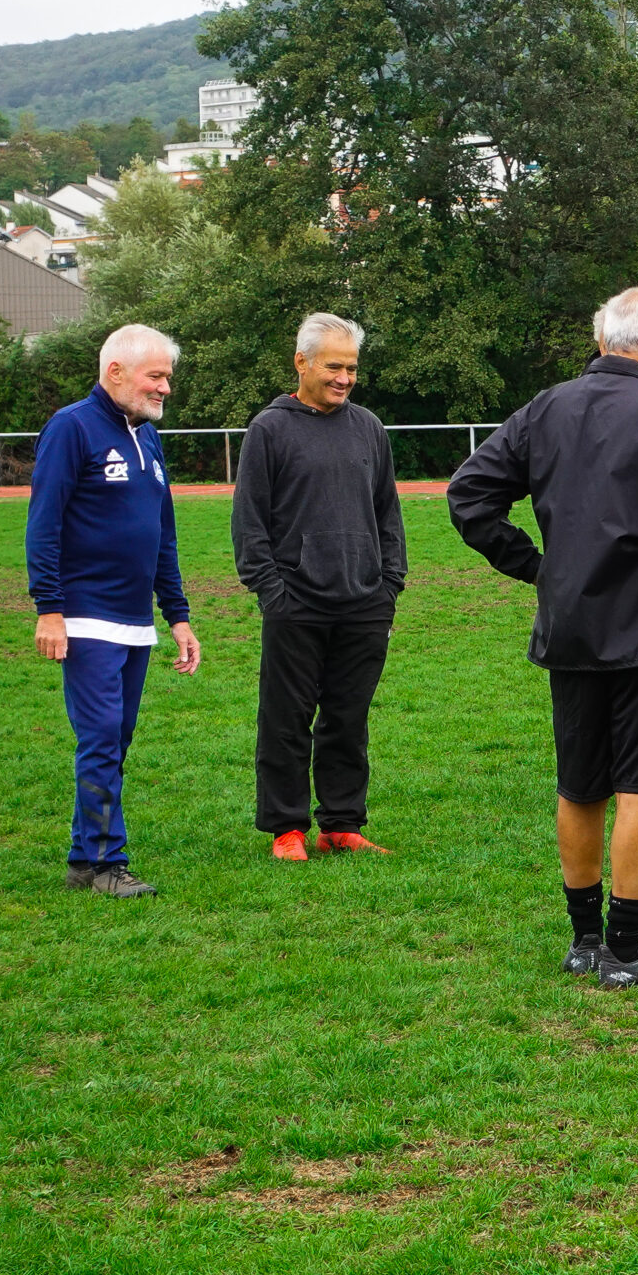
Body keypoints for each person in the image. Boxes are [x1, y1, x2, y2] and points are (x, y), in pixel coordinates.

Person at [448, 287, 638, 987]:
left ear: (601, 341)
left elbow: (469, 494)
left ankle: (584, 940)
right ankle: (625, 949)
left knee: (581, 784)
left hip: (572, 626)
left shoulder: (546, 409)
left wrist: (536, 567)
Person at [26, 323, 202, 898]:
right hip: (83, 616)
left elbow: (161, 534)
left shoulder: (147, 437)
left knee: (116, 738)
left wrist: (176, 614)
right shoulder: (71, 427)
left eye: (167, 378)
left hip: (134, 621)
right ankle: (105, 865)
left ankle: (84, 859)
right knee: (101, 735)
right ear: (116, 372)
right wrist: (49, 608)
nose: (165, 388)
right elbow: (44, 522)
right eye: (156, 376)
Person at [232, 312, 406, 862]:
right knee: (286, 720)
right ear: (301, 362)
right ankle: (287, 828)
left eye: (352, 368)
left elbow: (388, 513)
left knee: (348, 719)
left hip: (364, 603)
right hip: (296, 602)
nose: (345, 377)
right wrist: (273, 592)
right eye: (334, 365)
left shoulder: (369, 428)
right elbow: (249, 523)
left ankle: (341, 824)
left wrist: (389, 585)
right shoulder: (269, 429)